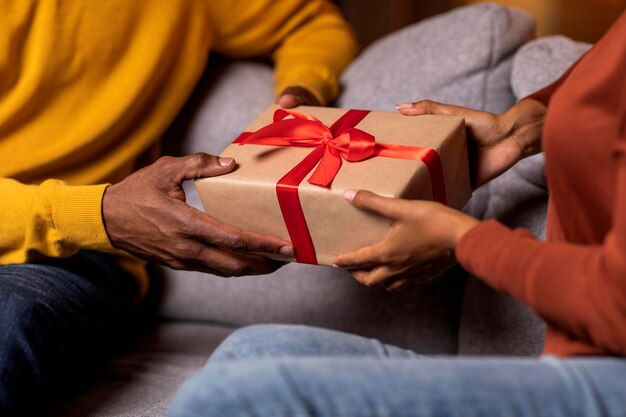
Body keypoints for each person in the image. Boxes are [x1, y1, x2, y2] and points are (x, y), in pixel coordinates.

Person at [167, 10, 626, 417]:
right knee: (251, 350)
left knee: (228, 399)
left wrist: (462, 240)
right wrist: (518, 128)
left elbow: (616, 304)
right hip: (573, 360)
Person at [0, 1, 357, 415]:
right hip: (87, 221)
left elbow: (309, 23)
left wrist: (300, 97)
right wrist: (98, 211)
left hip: (69, 256)